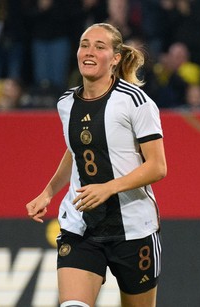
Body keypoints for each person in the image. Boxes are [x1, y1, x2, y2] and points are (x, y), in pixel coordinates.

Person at [25, 23, 166, 307]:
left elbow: (157, 166)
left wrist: (108, 188)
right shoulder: (66, 102)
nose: (89, 52)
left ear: (115, 58)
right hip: (81, 227)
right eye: (84, 45)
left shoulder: (136, 101)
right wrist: (48, 192)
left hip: (134, 228)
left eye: (99, 47)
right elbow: (75, 150)